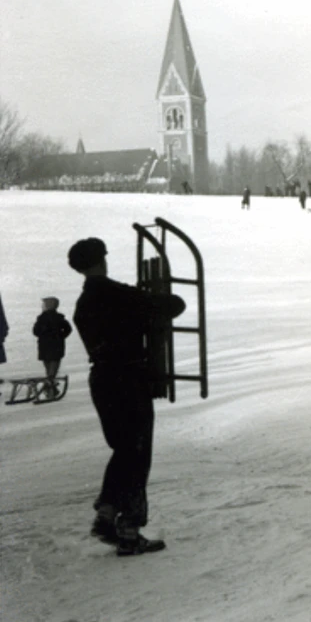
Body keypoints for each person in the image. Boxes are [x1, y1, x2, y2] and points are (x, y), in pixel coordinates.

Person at [69, 237, 186, 556]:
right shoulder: (115, 294)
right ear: (101, 260)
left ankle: (107, 515)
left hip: (102, 379)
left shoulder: (84, 302)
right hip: (128, 378)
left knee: (123, 449)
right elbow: (173, 305)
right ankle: (129, 528)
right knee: (136, 451)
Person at [32, 297, 72, 387]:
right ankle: (51, 379)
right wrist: (62, 336)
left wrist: (42, 335)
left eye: (43, 305)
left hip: (44, 344)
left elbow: (35, 331)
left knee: (47, 362)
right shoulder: (59, 318)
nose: (42, 306)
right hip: (57, 344)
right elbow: (68, 329)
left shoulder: (41, 318)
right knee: (55, 361)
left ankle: (49, 379)